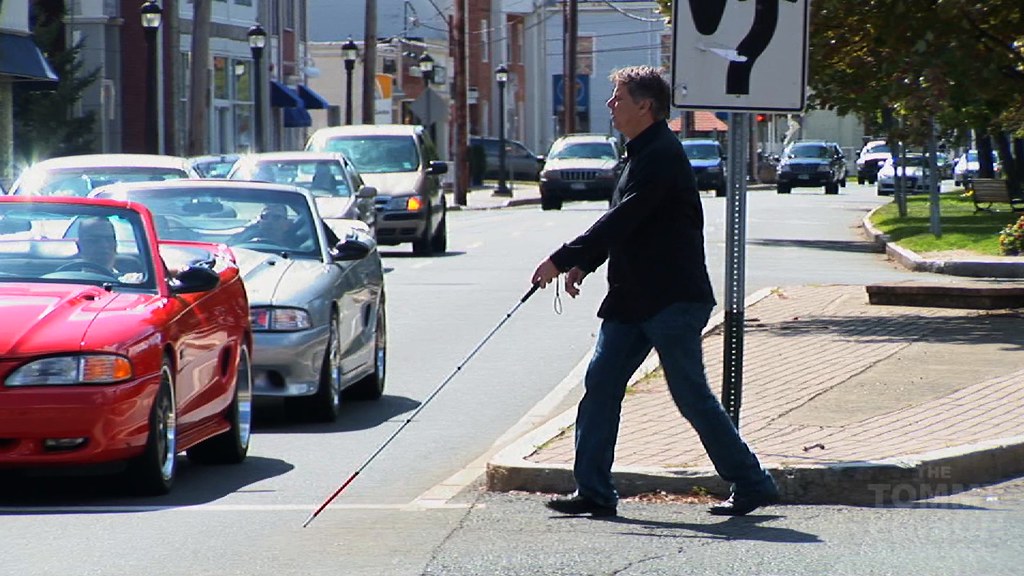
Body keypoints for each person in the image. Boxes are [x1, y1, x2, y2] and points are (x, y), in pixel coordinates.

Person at [531, 65, 778, 518]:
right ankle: (594, 491)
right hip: (631, 298)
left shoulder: (663, 154)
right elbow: (629, 223)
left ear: (645, 106)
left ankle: (752, 482)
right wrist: (586, 262)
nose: (610, 105)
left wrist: (563, 257)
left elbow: (625, 217)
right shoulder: (636, 153)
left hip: (672, 299)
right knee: (601, 384)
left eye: (618, 97)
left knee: (690, 394)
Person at [230, 204, 296, 246]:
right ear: (259, 222)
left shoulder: (295, 249)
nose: (269, 221)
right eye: (264, 217)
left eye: (276, 217)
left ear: (287, 224)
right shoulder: (245, 237)